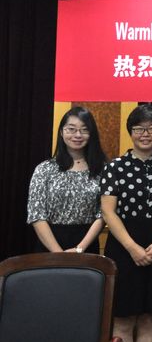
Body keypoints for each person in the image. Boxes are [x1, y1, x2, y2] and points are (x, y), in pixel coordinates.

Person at [100, 105, 152, 342]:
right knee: (123, 320)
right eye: (139, 129)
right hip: (123, 249)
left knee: (149, 318)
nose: (145, 134)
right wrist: (132, 247)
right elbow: (108, 211)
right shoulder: (114, 167)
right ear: (130, 132)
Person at [27, 106, 107, 254]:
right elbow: (36, 214)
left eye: (84, 130)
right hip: (49, 245)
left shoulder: (102, 170)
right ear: (61, 132)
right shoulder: (44, 169)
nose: (78, 135)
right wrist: (59, 254)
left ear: (92, 134)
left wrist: (79, 248)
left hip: (87, 246)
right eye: (71, 129)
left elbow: (104, 214)